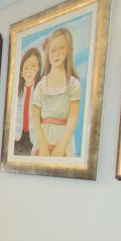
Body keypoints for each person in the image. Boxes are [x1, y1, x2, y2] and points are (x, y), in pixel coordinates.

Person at [30, 27, 82, 157]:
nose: (57, 54)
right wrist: (42, 144)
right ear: (48, 52)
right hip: (43, 136)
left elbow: (73, 117)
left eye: (61, 48)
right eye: (53, 50)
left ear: (68, 50)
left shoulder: (73, 84)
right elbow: (35, 118)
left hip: (63, 138)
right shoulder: (41, 85)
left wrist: (62, 146)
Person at [13, 48, 42, 156]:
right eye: (26, 68)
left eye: (33, 66)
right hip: (18, 135)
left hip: (34, 136)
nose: (29, 71)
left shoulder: (40, 90)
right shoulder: (17, 92)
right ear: (21, 72)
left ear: (39, 68)